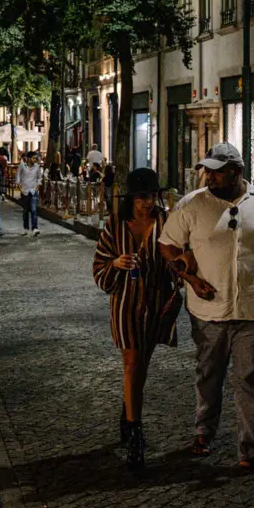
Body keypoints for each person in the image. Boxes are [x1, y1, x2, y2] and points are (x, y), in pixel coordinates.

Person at [158, 143, 254, 479]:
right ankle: (204, 433)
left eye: (217, 170)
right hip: (208, 308)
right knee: (208, 375)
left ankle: (252, 450)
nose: (209, 176)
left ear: (237, 172)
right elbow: (167, 243)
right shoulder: (192, 204)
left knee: (251, 380)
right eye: (208, 170)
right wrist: (189, 278)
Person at [92, 168, 182, 471]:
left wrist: (182, 270)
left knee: (140, 364)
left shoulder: (167, 221)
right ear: (131, 198)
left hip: (155, 304)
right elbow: (99, 267)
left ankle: (127, 411)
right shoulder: (115, 225)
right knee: (131, 361)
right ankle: (136, 434)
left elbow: (176, 260)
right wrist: (116, 263)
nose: (148, 202)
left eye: (152, 196)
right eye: (142, 197)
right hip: (126, 305)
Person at [18, 151, 43, 236]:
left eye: (36, 158)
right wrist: (20, 188)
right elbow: (18, 177)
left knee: (34, 210)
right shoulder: (22, 166)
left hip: (33, 190)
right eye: (34, 158)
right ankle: (25, 228)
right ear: (28, 158)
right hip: (24, 191)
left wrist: (37, 187)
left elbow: (39, 178)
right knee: (25, 211)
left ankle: (35, 228)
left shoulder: (37, 167)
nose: (35, 159)